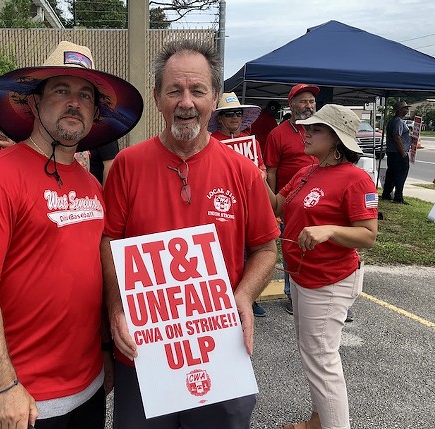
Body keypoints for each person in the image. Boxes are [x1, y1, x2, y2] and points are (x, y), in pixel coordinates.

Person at [0, 41, 143, 429]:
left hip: (91, 384)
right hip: (30, 398)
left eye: (86, 95)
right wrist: (4, 387)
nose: (75, 102)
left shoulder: (90, 185)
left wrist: (106, 347)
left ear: (94, 113)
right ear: (34, 103)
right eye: (61, 90)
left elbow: (95, 268)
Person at [101, 39, 279, 429]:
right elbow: (110, 240)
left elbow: (266, 247)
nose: (186, 102)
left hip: (220, 348)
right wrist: (116, 308)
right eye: (174, 91)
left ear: (214, 97)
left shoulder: (243, 173)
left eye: (197, 90)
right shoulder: (128, 166)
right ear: (157, 97)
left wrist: (245, 295)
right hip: (144, 349)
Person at [264, 104, 377, 429]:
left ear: (337, 139)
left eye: (316, 129)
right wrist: (256, 177)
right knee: (312, 354)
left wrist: (329, 230)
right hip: (303, 276)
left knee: (321, 359)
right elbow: (277, 205)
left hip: (329, 281)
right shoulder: (307, 172)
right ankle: (318, 419)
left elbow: (368, 236)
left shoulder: (356, 180)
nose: (306, 132)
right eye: (307, 127)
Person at [209, 92, 269, 317]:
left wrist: (260, 175)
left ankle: (249, 299)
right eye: (229, 113)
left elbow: (262, 168)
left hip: (249, 205)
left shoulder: (250, 141)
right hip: (223, 206)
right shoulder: (212, 141)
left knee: (254, 252)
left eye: (238, 113)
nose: (235, 117)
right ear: (220, 118)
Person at [265, 83, 319, 315]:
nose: (308, 105)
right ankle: (292, 295)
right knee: (292, 248)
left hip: (320, 202)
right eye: (303, 101)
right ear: (292, 104)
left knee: (319, 248)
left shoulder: (320, 130)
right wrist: (273, 208)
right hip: (290, 202)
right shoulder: (278, 134)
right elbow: (271, 171)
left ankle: (320, 293)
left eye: (311, 101)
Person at [381, 100, 411, 205]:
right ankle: (398, 196)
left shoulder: (393, 121)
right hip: (398, 153)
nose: (408, 110)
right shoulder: (398, 121)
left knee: (392, 174)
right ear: (400, 110)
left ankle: (386, 193)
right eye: (406, 108)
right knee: (400, 174)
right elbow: (397, 137)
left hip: (392, 152)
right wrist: (403, 152)